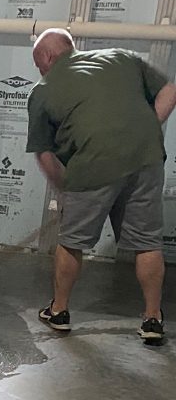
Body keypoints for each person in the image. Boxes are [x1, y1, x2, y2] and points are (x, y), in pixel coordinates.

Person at [26, 28, 176, 339]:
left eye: (38, 64)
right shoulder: (122, 58)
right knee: (147, 242)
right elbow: (170, 90)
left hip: (91, 165)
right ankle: (152, 319)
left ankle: (59, 311)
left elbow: (44, 154)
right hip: (146, 159)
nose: (39, 71)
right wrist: (146, 130)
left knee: (72, 241)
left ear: (48, 57)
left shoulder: (42, 91)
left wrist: (63, 189)